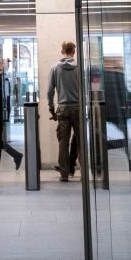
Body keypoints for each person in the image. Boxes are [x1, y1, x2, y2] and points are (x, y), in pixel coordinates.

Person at [46, 41, 81, 181]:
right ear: (74, 51)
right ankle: (83, 172)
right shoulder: (80, 68)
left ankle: (64, 174)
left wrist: (51, 107)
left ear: (62, 51)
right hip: (78, 108)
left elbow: (50, 91)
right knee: (80, 141)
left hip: (63, 109)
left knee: (63, 142)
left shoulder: (54, 68)